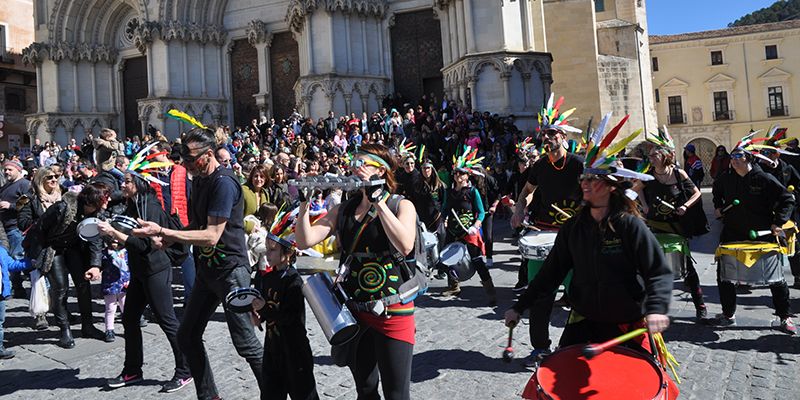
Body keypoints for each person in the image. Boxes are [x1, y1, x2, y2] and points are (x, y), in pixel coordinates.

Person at [505, 122, 671, 357]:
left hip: (628, 323)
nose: (584, 183)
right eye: (584, 179)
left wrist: (656, 309)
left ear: (611, 187)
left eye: (593, 179)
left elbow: (658, 271)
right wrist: (520, 306)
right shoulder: (573, 228)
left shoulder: (629, 225)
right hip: (585, 321)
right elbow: (549, 274)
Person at [133, 127, 264, 399]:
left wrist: (165, 232)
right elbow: (197, 225)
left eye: (191, 159)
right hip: (208, 271)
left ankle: (274, 392)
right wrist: (169, 238)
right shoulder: (201, 180)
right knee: (187, 336)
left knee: (246, 345)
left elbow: (212, 235)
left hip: (231, 272)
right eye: (184, 159)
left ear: (208, 155)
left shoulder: (224, 183)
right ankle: (209, 396)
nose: (186, 165)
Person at [295, 143, 418, 400]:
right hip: (355, 310)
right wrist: (304, 203)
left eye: (364, 163)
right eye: (355, 162)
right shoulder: (345, 209)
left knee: (397, 394)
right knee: (365, 389)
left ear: (382, 171)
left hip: (392, 310)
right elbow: (305, 240)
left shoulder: (401, 205)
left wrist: (379, 203)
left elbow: (405, 245)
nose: (356, 168)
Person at [96, 160, 193, 392]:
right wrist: (114, 238)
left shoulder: (149, 206)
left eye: (128, 181)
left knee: (167, 320)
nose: (123, 184)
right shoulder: (133, 204)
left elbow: (143, 244)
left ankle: (185, 370)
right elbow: (130, 240)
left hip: (155, 270)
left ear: (139, 183)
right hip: (140, 271)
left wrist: (115, 234)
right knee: (129, 319)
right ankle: (132, 370)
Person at [509, 95, 584, 364]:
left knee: (580, 296)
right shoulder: (539, 166)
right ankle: (540, 348)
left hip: (573, 237)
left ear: (563, 137)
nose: (548, 138)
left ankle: (576, 346)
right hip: (543, 234)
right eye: (545, 133)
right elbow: (527, 191)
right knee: (540, 296)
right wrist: (520, 208)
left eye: (553, 133)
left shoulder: (577, 164)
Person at [709, 139, 796, 334]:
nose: (734, 160)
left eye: (738, 156)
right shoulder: (726, 178)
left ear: (748, 158)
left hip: (762, 235)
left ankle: (785, 317)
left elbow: (787, 199)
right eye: (732, 157)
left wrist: (778, 222)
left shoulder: (762, 178)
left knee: (776, 279)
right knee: (724, 277)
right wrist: (717, 207)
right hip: (733, 233)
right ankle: (728, 314)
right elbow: (717, 191)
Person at [23, 183, 108, 348]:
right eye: (103, 200)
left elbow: (95, 240)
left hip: (74, 249)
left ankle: (88, 326)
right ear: (91, 201)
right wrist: (38, 258)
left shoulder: (97, 213)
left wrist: (95, 265)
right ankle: (64, 330)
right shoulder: (62, 207)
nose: (106, 203)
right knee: (60, 289)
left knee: (83, 285)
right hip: (53, 249)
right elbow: (39, 229)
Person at [251, 207, 319, 400]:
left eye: (273, 250)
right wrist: (258, 316)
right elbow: (266, 306)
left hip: (294, 350)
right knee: (271, 393)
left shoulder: (293, 281)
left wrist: (264, 309)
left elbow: (290, 317)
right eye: (267, 248)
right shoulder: (267, 277)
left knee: (304, 394)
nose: (268, 254)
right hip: (273, 348)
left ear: (288, 254)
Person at [638, 131, 707, 319]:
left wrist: (685, 206)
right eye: (650, 155)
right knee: (648, 267)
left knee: (688, 269)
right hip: (655, 225)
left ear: (665, 156)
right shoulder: (648, 176)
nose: (650, 158)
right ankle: (648, 309)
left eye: (654, 155)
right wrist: (644, 205)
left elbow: (696, 193)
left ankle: (700, 306)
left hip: (677, 226)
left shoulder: (678, 173)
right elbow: (636, 189)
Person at [439, 146, 495, 304]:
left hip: (468, 232)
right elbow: (444, 208)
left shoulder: (472, 192)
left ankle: (490, 292)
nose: (458, 175)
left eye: (461, 173)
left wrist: (476, 225)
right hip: (453, 231)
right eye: (456, 172)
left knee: (477, 261)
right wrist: (443, 219)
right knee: (448, 259)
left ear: (467, 175)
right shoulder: (449, 192)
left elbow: (482, 212)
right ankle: (454, 286)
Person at [18, 166, 63, 330]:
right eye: (49, 177)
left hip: (59, 245)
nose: (54, 180)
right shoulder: (27, 198)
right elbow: (22, 222)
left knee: (60, 283)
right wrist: (44, 222)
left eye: (56, 177)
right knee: (40, 280)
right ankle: (40, 314)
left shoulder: (61, 195)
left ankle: (60, 311)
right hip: (38, 245)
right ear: (40, 180)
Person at [0, 159, 31, 299]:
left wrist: (10, 206)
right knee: (8, 258)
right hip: (4, 228)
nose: (7, 172)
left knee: (16, 258)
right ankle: (16, 288)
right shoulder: (6, 185)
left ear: (18, 170)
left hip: (16, 228)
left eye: (10, 169)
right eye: (5, 169)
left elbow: (27, 201)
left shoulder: (24, 184)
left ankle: (19, 288)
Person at [0, 224, 32, 359]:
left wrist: (31, 262)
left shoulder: (1, 251)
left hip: (0, 294)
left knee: (0, 321)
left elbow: (13, 265)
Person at [99, 239, 129, 342]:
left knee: (125, 308)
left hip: (124, 284)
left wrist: (129, 279)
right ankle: (109, 329)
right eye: (111, 241)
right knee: (110, 308)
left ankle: (129, 328)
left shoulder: (126, 253)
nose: (114, 244)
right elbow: (99, 266)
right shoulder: (104, 254)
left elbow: (130, 267)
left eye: (116, 242)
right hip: (110, 284)